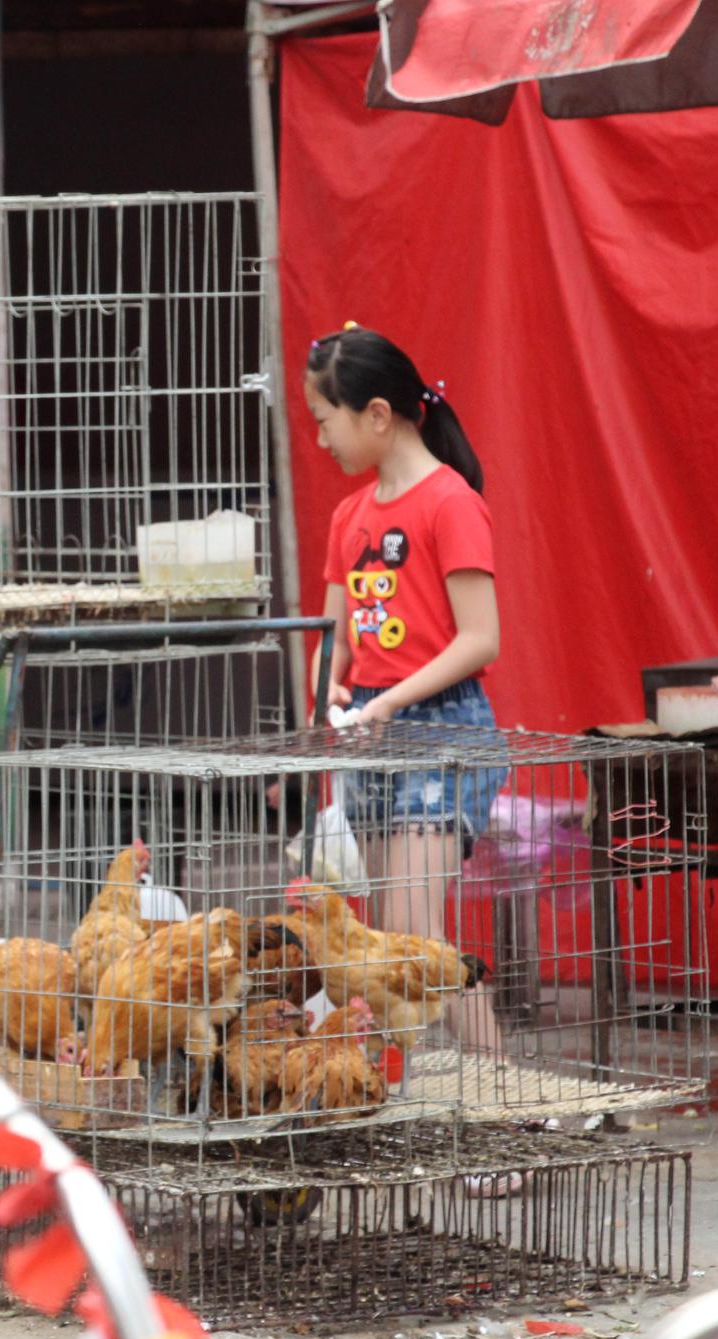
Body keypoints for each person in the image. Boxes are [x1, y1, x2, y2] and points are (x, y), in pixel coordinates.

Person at [305, 324, 508, 1053]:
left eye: (326, 421)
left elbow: (480, 637)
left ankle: (506, 1102)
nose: (321, 439)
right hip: (371, 731)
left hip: (443, 731)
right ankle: (412, 1097)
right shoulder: (348, 516)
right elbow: (333, 639)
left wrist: (384, 700)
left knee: (417, 934)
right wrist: (330, 692)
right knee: (386, 943)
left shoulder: (449, 502)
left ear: (378, 415)